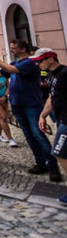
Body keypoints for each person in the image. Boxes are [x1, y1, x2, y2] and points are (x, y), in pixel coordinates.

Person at [0, 40, 61, 182]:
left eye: (14, 48)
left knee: (38, 134)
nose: (11, 50)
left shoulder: (30, 62)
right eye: (11, 48)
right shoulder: (15, 63)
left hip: (31, 104)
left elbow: (12, 70)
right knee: (29, 136)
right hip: (17, 104)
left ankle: (52, 165)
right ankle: (40, 162)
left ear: (23, 49)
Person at [36, 48, 67, 204]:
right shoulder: (50, 75)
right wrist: (43, 115)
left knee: (59, 152)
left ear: (50, 59)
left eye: (40, 60)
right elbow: (51, 97)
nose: (38, 64)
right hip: (60, 118)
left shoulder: (64, 73)